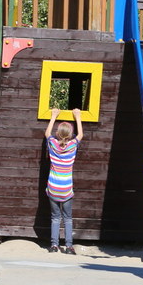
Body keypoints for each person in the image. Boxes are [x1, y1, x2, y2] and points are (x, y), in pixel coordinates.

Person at [45, 108, 83, 254]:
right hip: (66, 189)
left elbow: (47, 133)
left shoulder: (53, 144)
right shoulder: (73, 146)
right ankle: (69, 246)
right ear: (70, 135)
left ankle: (54, 245)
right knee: (67, 218)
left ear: (58, 133)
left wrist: (54, 116)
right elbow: (80, 134)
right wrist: (78, 116)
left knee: (55, 217)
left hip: (53, 188)